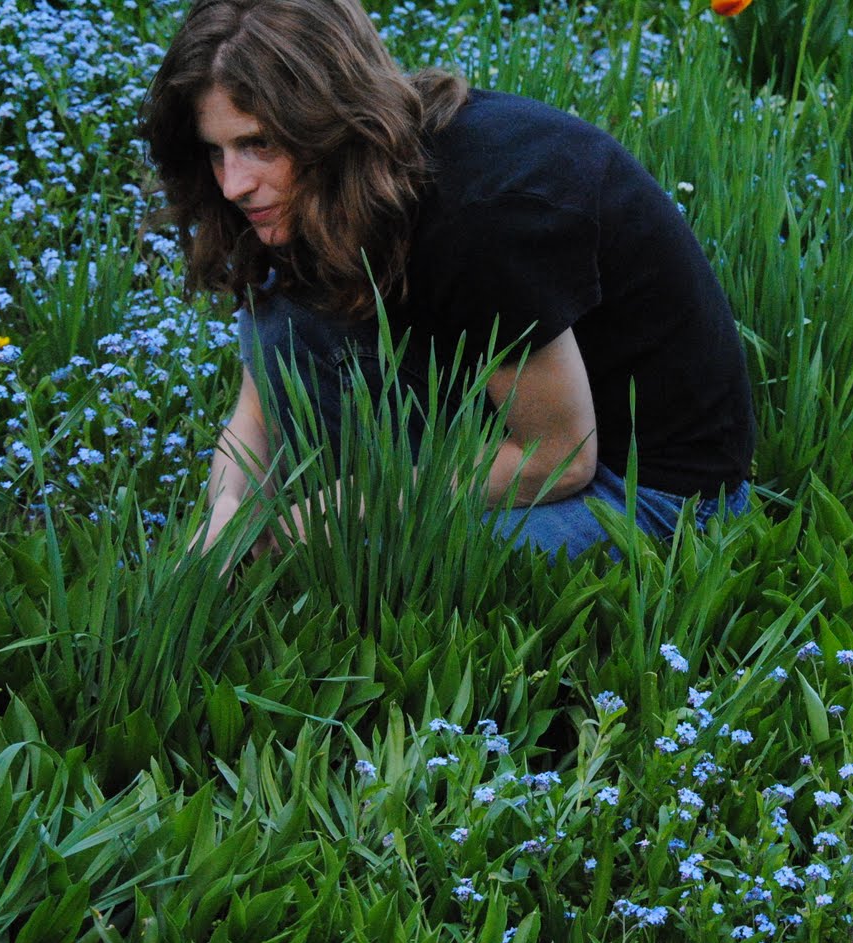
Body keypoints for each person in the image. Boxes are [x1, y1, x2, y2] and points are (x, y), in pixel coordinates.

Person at [143, 0, 755, 559]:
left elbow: (560, 460)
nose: (233, 183)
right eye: (216, 150)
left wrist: (340, 510)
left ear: (328, 120)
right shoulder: (332, 181)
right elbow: (260, 403)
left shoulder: (482, 215)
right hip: (532, 414)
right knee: (289, 318)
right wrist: (228, 510)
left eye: (258, 144)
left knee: (371, 567)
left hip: (646, 489)